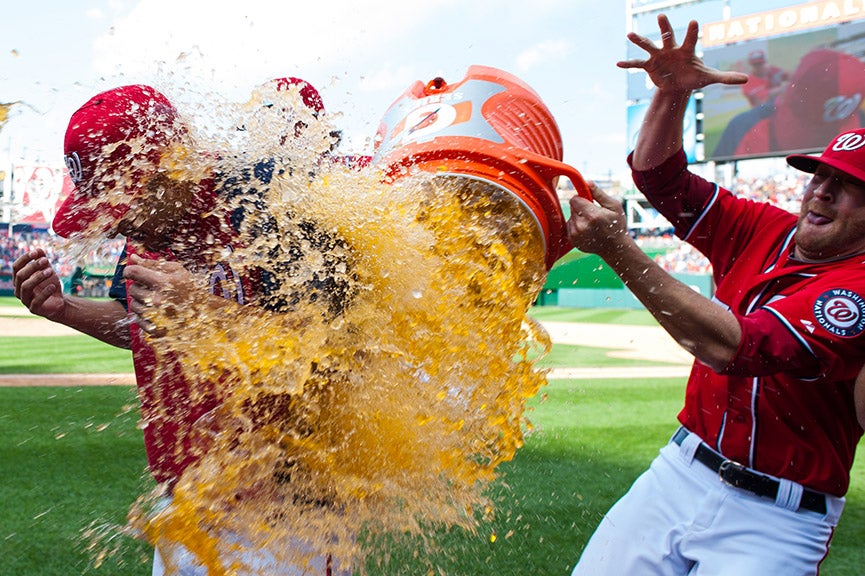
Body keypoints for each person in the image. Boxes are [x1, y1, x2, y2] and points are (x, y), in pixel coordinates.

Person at [13, 81, 354, 576]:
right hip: (187, 512)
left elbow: (345, 353)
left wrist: (211, 314)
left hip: (286, 526)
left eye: (124, 205)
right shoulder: (151, 229)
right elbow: (143, 328)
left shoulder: (268, 195)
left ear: (170, 169)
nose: (116, 225)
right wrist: (65, 309)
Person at [566, 14, 864, 575]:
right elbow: (661, 178)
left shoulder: (859, 286)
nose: (820, 192)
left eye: (847, 186)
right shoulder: (765, 227)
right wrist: (671, 95)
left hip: (776, 520)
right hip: (678, 472)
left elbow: (736, 347)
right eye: (819, 175)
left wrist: (618, 249)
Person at [713, 46, 865, 159]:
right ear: (752, 66)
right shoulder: (749, 84)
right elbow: (764, 98)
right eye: (756, 65)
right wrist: (789, 85)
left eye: (761, 63)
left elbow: (788, 77)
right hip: (765, 113)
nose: (760, 67)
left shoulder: (773, 71)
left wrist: (794, 82)